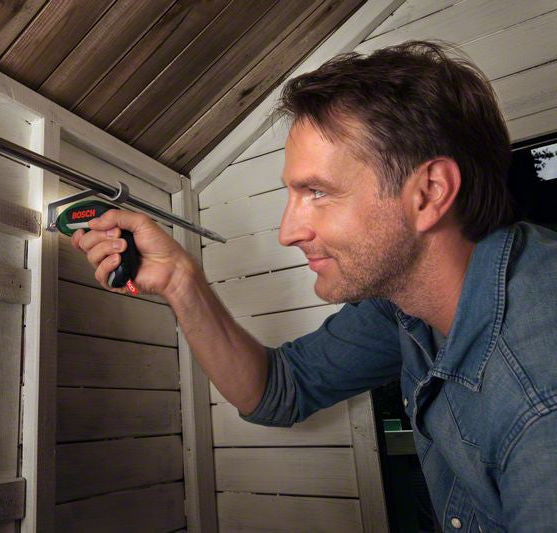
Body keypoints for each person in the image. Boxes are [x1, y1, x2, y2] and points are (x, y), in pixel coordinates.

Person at [70, 41, 556, 531]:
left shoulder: (540, 400)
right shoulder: (407, 302)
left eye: (317, 192)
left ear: (429, 193)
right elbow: (277, 389)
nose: (288, 232)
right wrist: (180, 279)